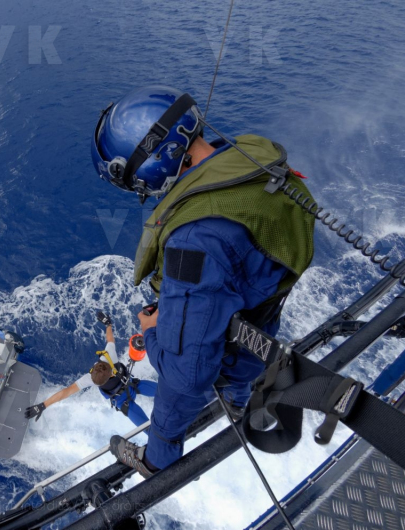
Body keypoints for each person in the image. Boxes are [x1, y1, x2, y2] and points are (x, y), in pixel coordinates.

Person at [90, 86, 315, 477]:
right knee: (236, 369)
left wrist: (156, 330)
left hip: (224, 353)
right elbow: (237, 273)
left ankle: (156, 459)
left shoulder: (195, 241)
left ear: (152, 164)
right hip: (256, 327)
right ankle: (237, 400)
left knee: (187, 371)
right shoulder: (251, 167)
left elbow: (187, 375)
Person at [24, 311, 158, 426]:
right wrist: (43, 405)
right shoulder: (104, 360)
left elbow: (67, 391)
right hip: (124, 402)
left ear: (111, 375)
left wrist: (108, 325)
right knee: (147, 428)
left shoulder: (103, 363)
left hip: (133, 385)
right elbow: (66, 392)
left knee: (170, 392)